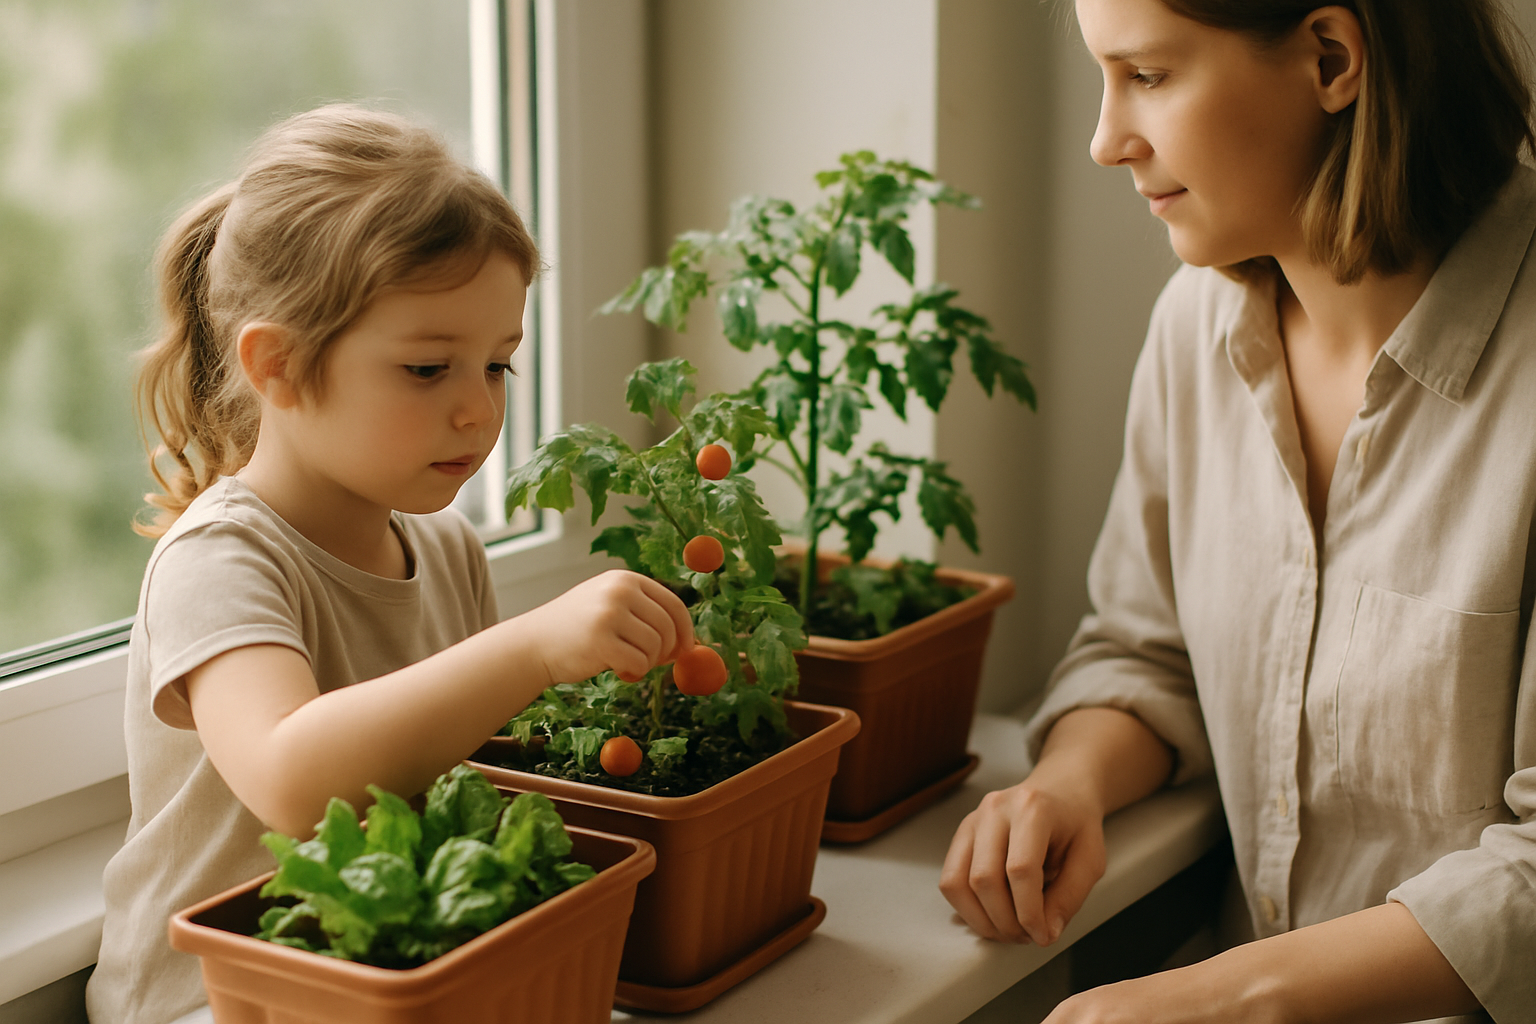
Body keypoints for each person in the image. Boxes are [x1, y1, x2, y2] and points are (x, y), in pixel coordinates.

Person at [940, 1, 1536, 1021]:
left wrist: (1227, 998)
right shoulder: (1197, 326)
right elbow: (1144, 649)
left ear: (1332, 58)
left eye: (1150, 76)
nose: (1103, 140)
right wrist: (1070, 783)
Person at [85, 104, 694, 1024]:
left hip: (379, 972)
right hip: (212, 1000)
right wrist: (533, 651)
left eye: (497, 367)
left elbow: (445, 761)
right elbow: (291, 777)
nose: (476, 412)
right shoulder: (220, 557)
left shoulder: (445, 545)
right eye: (427, 370)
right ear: (278, 366)